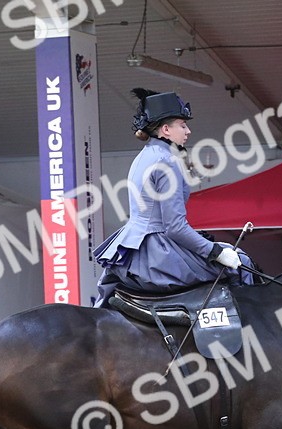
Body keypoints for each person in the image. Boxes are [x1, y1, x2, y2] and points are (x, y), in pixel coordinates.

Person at [93, 88, 253, 306]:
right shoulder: (168, 161)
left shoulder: (143, 157)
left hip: (133, 249)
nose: (188, 131)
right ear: (166, 129)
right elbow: (174, 227)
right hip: (157, 253)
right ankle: (244, 335)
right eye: (183, 125)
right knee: (240, 261)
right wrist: (214, 252)